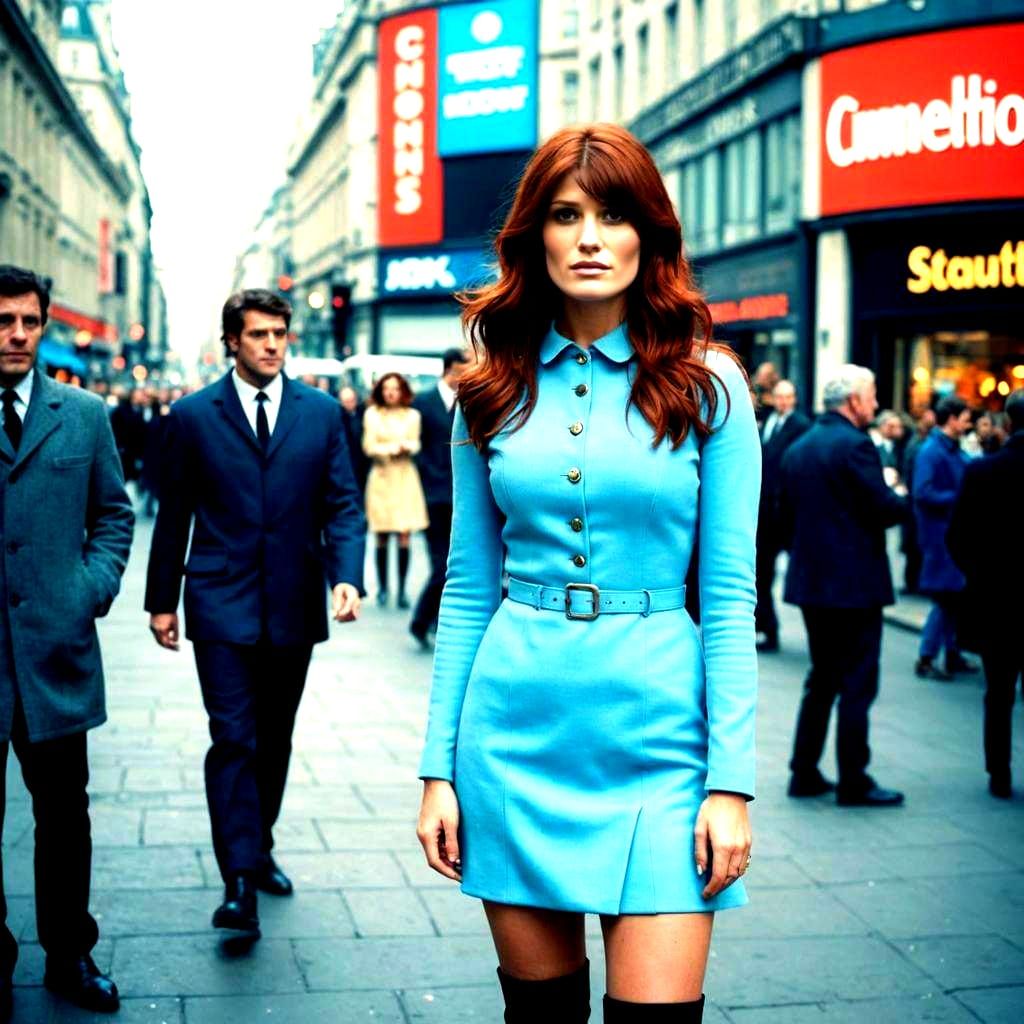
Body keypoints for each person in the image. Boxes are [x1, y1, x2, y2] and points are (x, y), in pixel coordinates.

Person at [416, 124, 758, 1023]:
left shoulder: (709, 384)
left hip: (661, 744)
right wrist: (437, 770)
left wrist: (731, 782)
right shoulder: (489, 390)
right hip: (513, 740)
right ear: (536, 236)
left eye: (614, 214)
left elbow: (727, 600)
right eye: (567, 215)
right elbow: (464, 589)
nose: (592, 237)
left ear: (650, 233)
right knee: (543, 1019)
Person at [145, 288, 365, 939]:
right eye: (259, 334)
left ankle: (258, 844)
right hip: (219, 601)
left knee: (274, 738)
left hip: (295, 601)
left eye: (279, 333)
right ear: (231, 343)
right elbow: (173, 512)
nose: (272, 344)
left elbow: (343, 503)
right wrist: (162, 600)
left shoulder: (321, 413)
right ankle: (238, 879)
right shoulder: (192, 416)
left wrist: (347, 575)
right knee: (234, 737)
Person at [0, 266, 133, 1017]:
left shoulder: (82, 414)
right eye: (3, 320)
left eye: (28, 320)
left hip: (56, 653)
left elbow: (114, 514)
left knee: (63, 816)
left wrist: (90, 589)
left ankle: (68, 953)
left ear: (45, 324)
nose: (17, 334)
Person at [780, 365, 907, 808]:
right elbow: (884, 508)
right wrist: (899, 494)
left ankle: (804, 770)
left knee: (821, 678)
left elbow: (785, 513)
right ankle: (854, 778)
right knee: (856, 682)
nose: (875, 404)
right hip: (853, 587)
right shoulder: (856, 446)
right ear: (853, 401)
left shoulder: (800, 447)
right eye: (872, 397)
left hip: (813, 583)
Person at [947, 390, 1024, 798]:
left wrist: (981, 576)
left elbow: (957, 537)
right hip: (1000, 596)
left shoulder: (982, 472)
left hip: (997, 601)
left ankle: (999, 772)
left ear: (1007, 424)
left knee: (998, 692)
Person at [409, 347, 472, 648]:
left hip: (462, 497)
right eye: (465, 369)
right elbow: (413, 446)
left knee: (454, 565)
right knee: (440, 566)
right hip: (432, 496)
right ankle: (421, 621)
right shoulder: (423, 402)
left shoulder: (471, 401)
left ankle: (430, 622)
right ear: (451, 370)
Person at [912, 396, 975, 682]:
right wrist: (960, 499)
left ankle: (951, 653)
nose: (969, 423)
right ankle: (926, 657)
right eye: (965, 418)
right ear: (951, 419)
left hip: (953, 535)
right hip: (940, 538)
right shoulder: (932, 451)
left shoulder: (951, 450)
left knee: (953, 599)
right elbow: (923, 492)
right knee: (944, 599)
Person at [362, 372, 429, 608]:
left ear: (402, 391)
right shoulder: (372, 414)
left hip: (404, 478)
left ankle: (401, 589)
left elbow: (416, 442)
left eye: (395, 388)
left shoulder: (413, 416)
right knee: (381, 533)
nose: (391, 392)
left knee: (404, 533)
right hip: (381, 477)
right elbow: (369, 446)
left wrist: (407, 446)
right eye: (386, 388)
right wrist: (392, 448)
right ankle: (382, 588)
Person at [755, 379, 810, 652]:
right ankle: (767, 627)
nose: (783, 402)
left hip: (787, 512)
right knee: (762, 574)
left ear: (795, 399)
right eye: (779, 397)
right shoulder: (768, 423)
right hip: (766, 512)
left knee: (800, 572)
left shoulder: (801, 426)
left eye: (788, 397)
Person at [900, 405, 936, 594]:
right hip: (914, 498)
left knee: (918, 544)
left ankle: (917, 581)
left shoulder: (925, 442)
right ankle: (912, 581)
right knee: (913, 545)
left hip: (916, 498)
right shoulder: (917, 442)